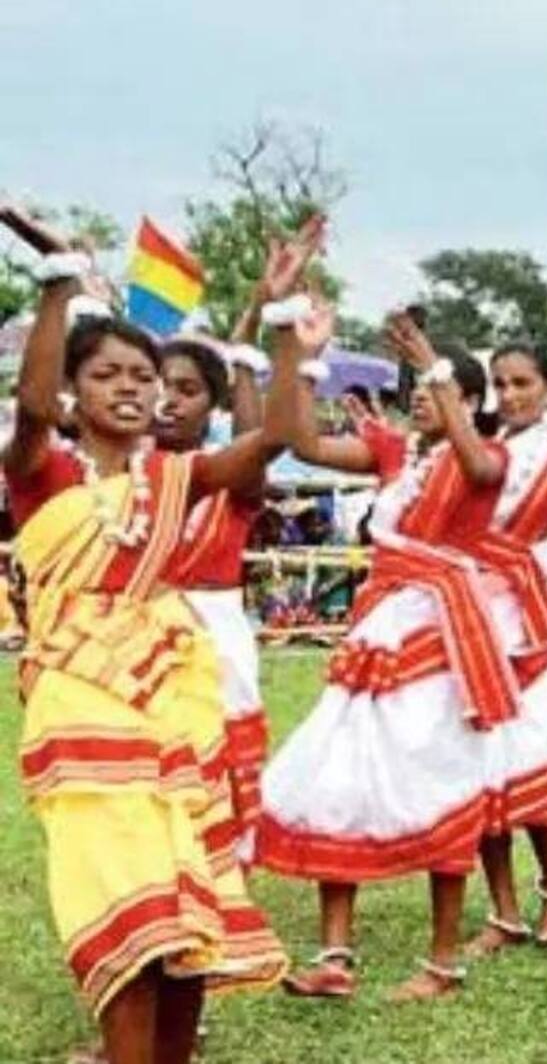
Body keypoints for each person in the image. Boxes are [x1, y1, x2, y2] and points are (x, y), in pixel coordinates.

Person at [3, 208, 312, 1064]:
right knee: (124, 911)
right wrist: (59, 287)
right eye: (108, 375)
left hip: (172, 709)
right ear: (75, 391)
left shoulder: (176, 477)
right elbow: (30, 410)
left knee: (181, 921)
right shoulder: (46, 473)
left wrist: (282, 325)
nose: (135, 388)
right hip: (80, 708)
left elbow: (279, 437)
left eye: (145, 375)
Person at [257, 313, 525, 1002]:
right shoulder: (393, 451)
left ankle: (441, 963)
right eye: (415, 386)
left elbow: (475, 464)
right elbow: (299, 440)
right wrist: (301, 356)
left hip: (442, 635)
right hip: (378, 631)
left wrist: (438, 364)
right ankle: (335, 957)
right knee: (338, 774)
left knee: (441, 779)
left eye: (434, 390)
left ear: (467, 402)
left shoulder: (490, 460)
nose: (418, 396)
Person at [464, 345, 547, 958]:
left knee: (537, 745)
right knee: (482, 749)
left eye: (523, 382)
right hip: (489, 601)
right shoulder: (487, 451)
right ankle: (503, 909)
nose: (511, 395)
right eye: (501, 384)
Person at [155, 325, 269, 858]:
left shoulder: (229, 480)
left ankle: (224, 862)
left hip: (215, 635)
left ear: (214, 404)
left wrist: (244, 352)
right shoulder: (125, 473)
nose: (168, 399)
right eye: (160, 385)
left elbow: (257, 446)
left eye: (187, 389)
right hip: (138, 631)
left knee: (220, 748)